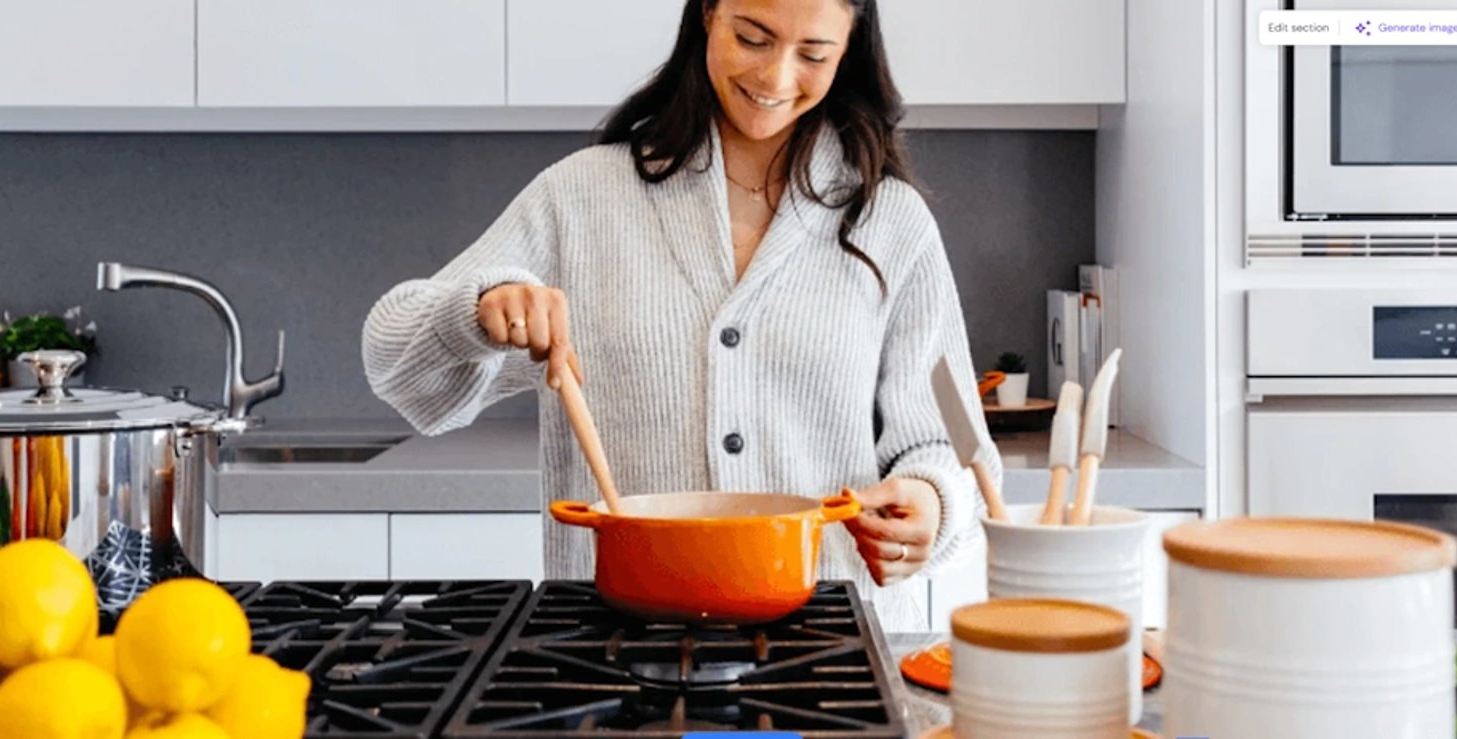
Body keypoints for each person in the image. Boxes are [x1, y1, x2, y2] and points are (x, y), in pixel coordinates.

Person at [361, 0, 1000, 631]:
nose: (776, 79)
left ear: (849, 52)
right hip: (612, 651)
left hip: (831, 652)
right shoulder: (581, 198)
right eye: (753, 38)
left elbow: (951, 446)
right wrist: (478, 309)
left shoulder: (891, 220)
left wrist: (930, 500)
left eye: (813, 54)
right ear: (707, 16)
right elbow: (397, 366)